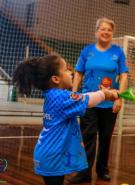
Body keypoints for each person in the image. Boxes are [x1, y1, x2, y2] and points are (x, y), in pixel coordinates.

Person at [12, 53, 119, 185]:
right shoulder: (60, 97)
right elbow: (88, 99)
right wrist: (105, 94)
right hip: (52, 157)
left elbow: (81, 97)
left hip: (51, 155)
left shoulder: (55, 95)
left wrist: (103, 94)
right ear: (56, 79)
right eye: (66, 70)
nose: (71, 72)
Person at [69, 17, 128, 184]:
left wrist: (120, 98)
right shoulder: (87, 51)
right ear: (96, 32)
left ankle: (103, 170)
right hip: (88, 101)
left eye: (109, 29)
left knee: (105, 137)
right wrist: (74, 92)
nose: (105, 32)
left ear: (112, 33)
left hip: (110, 103)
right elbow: (78, 72)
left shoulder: (118, 52)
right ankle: (84, 173)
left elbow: (123, 76)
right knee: (88, 137)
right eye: (102, 29)